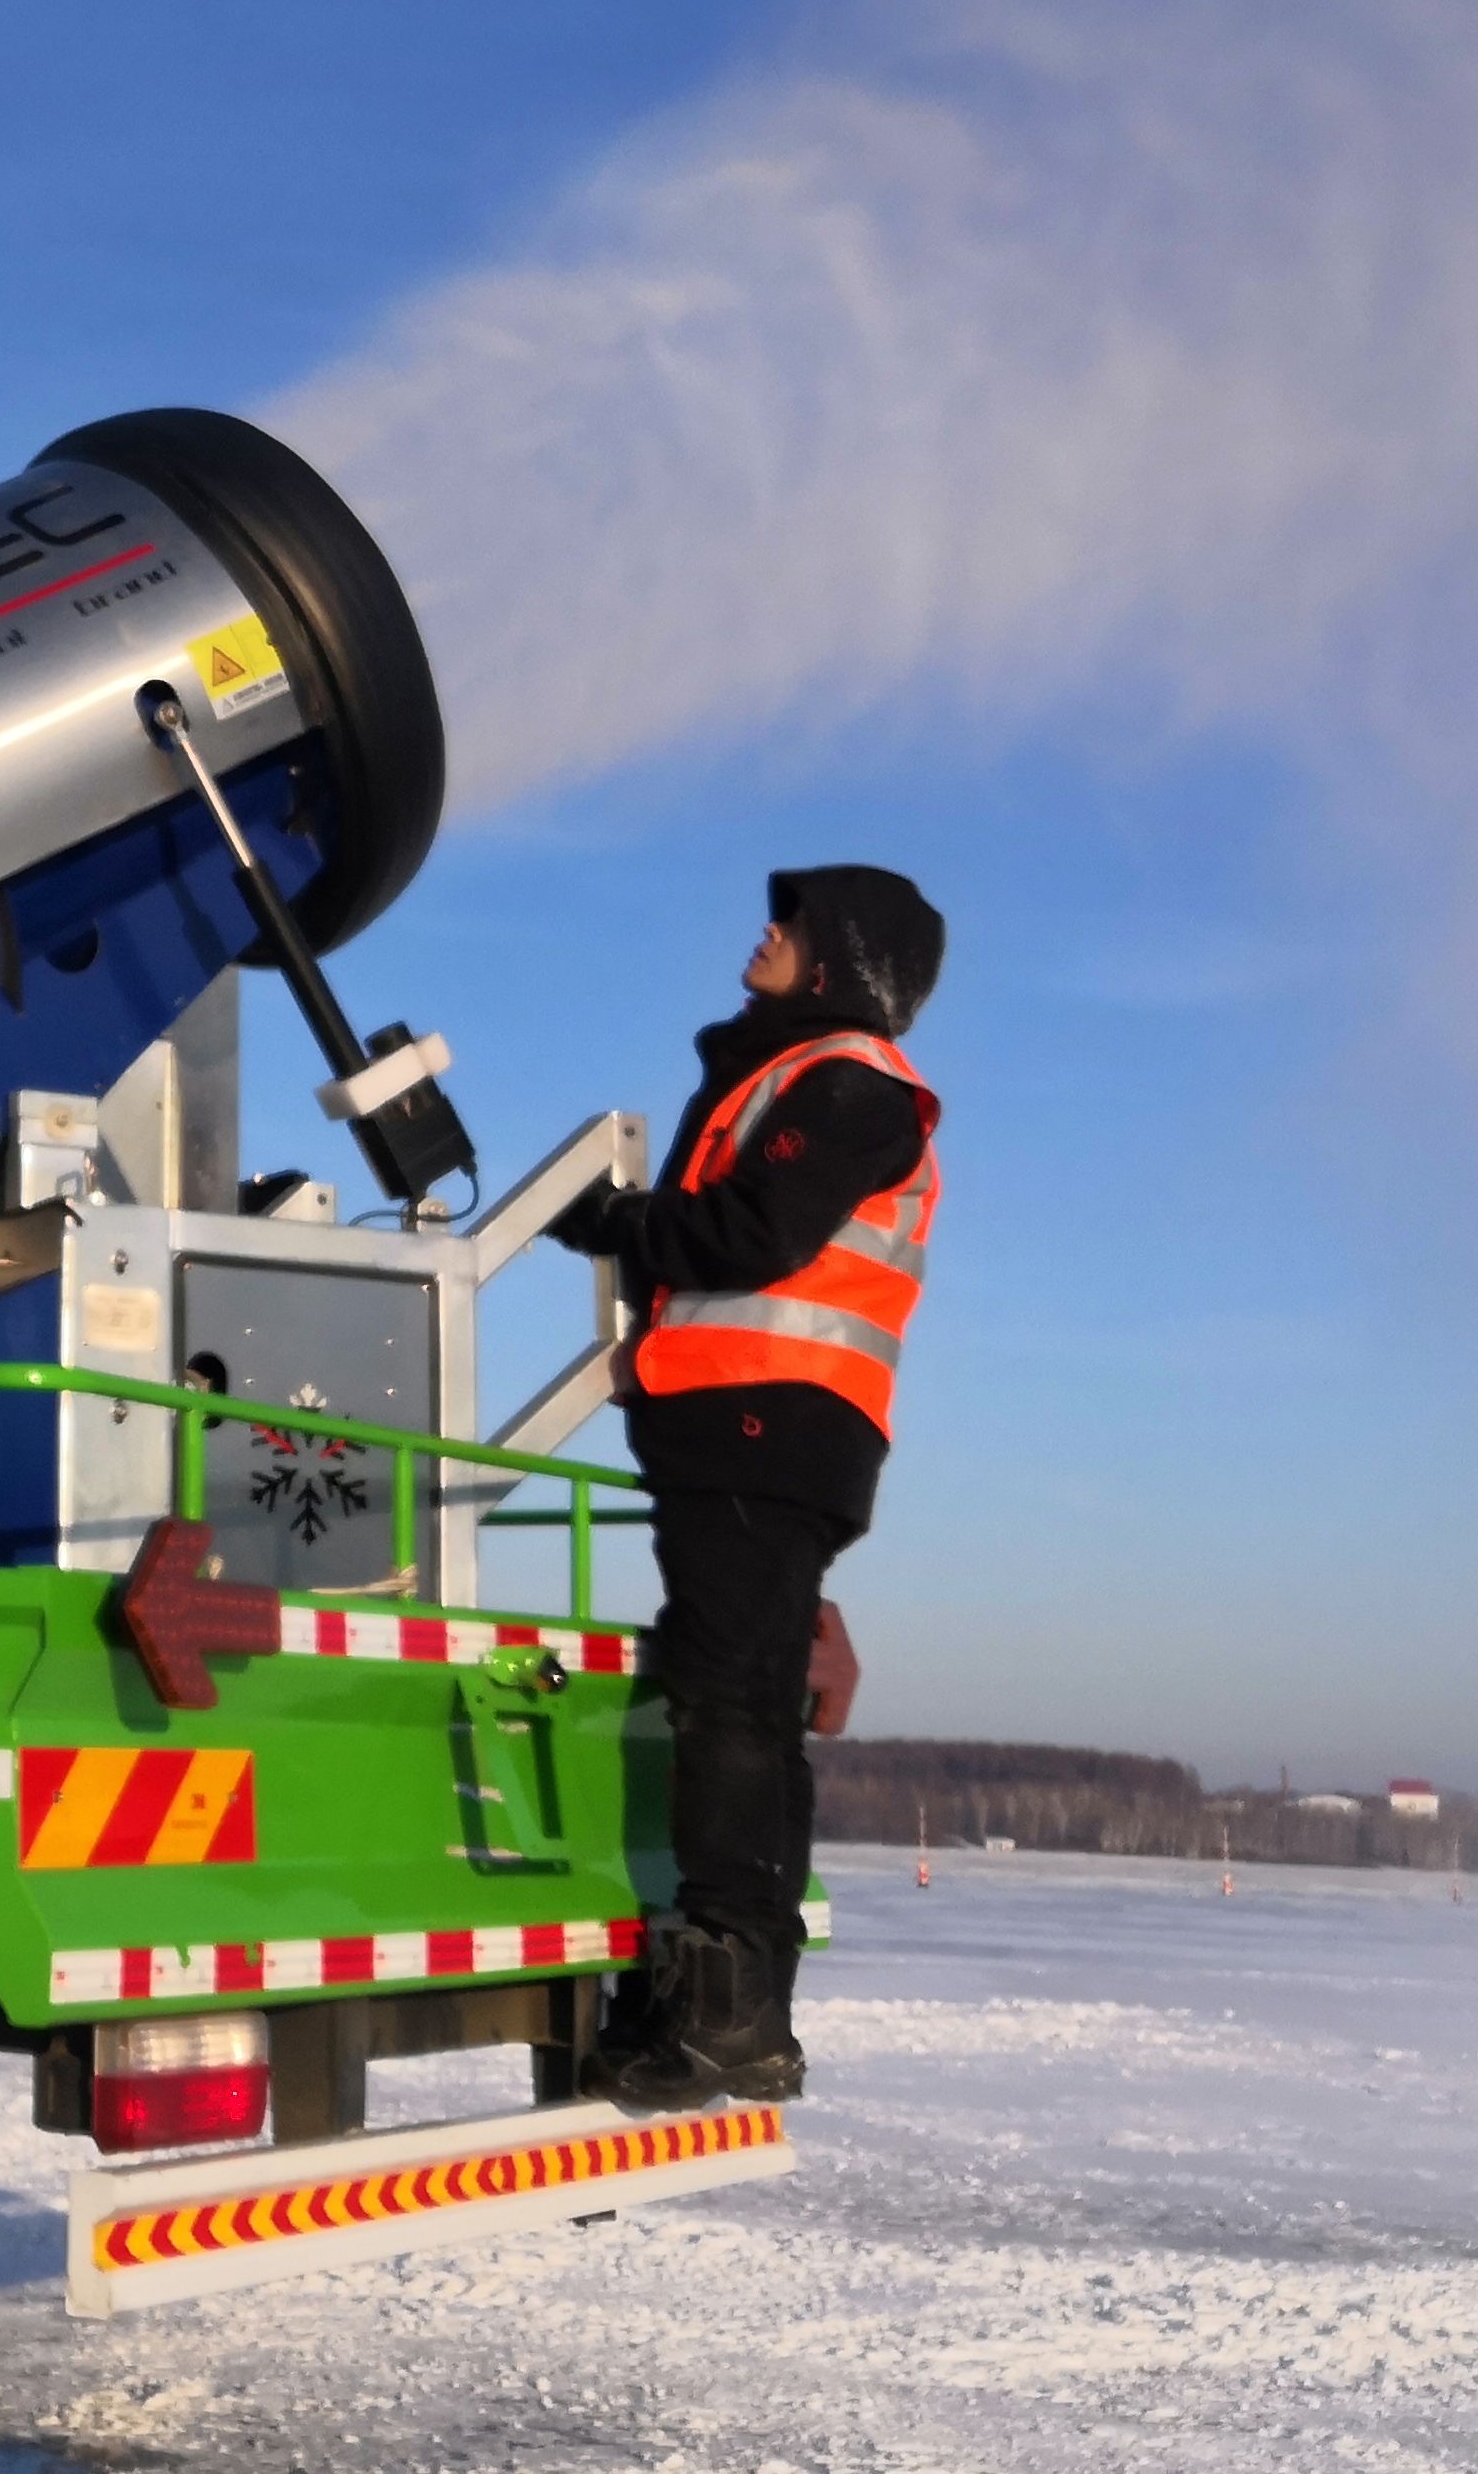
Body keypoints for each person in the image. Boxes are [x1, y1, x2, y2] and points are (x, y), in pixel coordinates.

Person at [546, 864, 944, 2112]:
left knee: (728, 1710)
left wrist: (612, 1221)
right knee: (747, 1705)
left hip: (764, 1427)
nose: (766, 930)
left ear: (839, 962)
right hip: (754, 1431)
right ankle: (737, 2014)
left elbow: (751, 1233)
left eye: (798, 921)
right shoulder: (791, 1073)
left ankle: (724, 2012)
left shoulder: (843, 1080)